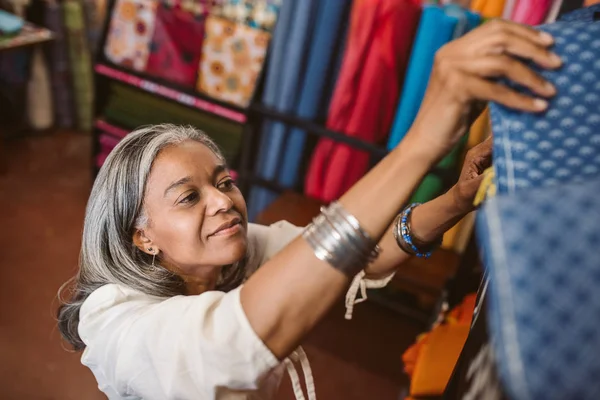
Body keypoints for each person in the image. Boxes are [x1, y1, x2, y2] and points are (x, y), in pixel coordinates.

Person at [57, 20, 561, 400]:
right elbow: (230, 340)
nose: (223, 201)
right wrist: (420, 145)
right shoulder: (115, 322)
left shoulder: (241, 251)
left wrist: (457, 198)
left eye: (223, 181)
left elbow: (363, 255)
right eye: (189, 197)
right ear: (141, 237)